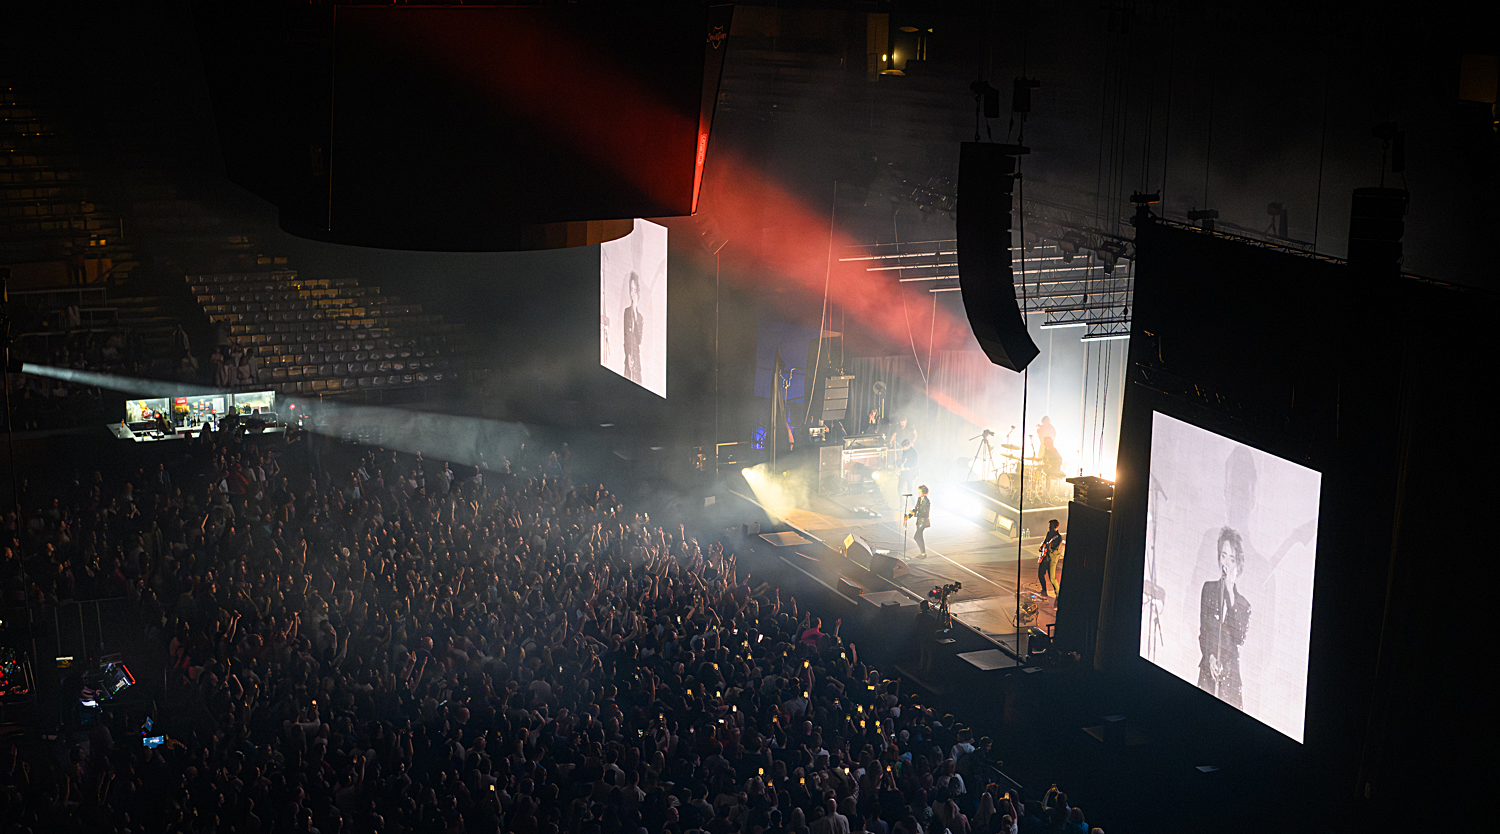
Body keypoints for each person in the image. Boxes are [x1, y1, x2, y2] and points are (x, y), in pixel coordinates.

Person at [1199, 527, 1252, 707]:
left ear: (1238, 564)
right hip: (1208, 674)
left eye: (1232, 559)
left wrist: (1230, 592)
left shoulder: (1243, 605)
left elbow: (1239, 637)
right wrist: (1211, 657)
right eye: (1223, 556)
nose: (1226, 564)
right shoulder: (1208, 589)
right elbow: (1204, 632)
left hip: (1230, 682)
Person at [622, 270, 644, 383]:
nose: (633, 293)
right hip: (628, 357)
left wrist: (635, 311)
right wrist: (628, 355)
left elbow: (639, 339)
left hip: (637, 357)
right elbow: (625, 338)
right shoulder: (626, 312)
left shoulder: (640, 317)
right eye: (631, 289)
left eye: (635, 290)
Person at [1038, 519, 1062, 596]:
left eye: (1051, 527)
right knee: (1040, 573)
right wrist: (1042, 546)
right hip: (1046, 557)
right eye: (1049, 527)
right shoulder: (1049, 534)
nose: (1049, 528)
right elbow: (1046, 541)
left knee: (1052, 578)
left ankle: (1058, 594)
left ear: (1056, 527)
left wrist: (1049, 549)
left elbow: (1056, 551)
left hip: (1052, 559)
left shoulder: (1058, 538)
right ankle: (1044, 590)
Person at [906, 485, 931, 558]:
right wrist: (909, 516)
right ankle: (923, 553)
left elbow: (924, 513)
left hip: (923, 521)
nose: (918, 493)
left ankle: (923, 553)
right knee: (919, 536)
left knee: (917, 537)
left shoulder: (927, 502)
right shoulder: (919, 499)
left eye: (920, 492)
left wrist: (914, 513)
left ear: (924, 493)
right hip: (919, 521)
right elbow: (916, 509)